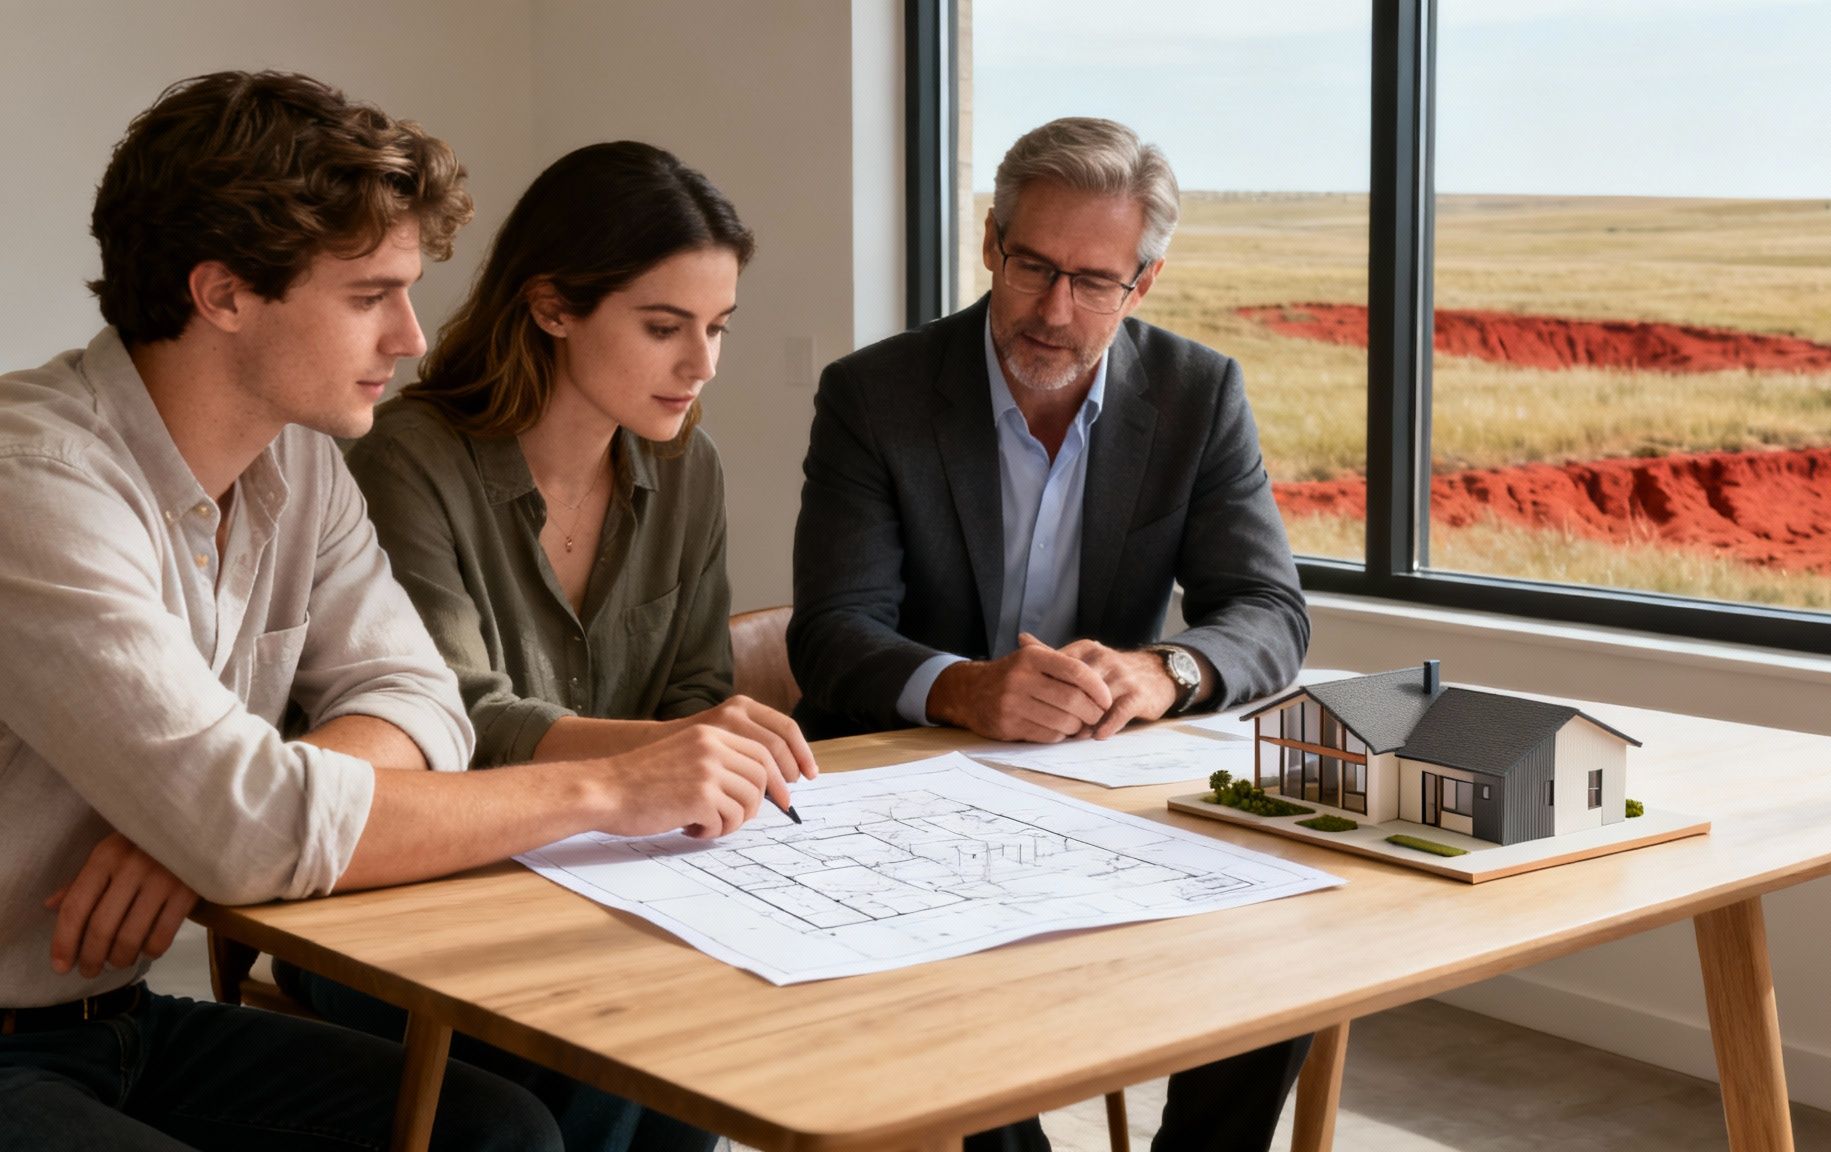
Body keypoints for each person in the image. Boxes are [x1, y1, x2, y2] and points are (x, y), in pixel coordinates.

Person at [0, 71, 795, 1151]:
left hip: (119, 1018)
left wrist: (220, 814)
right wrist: (610, 785)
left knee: (501, 1133)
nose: (413, 336)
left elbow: (425, 704)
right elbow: (249, 820)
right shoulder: (33, 483)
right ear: (224, 294)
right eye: (370, 296)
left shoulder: (304, 467)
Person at [788, 117, 1311, 1152]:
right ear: (990, 243)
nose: (1053, 309)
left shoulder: (1197, 395)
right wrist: (959, 687)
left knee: (1283, 953)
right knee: (965, 1039)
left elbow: (1266, 609)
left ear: (1143, 284)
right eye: (1031, 266)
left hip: (1094, 784)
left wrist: (1165, 669)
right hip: (898, 794)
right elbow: (831, 633)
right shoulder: (875, 394)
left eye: (1093, 281)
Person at [286, 140, 808, 1152]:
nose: (700, 366)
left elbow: (695, 686)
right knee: (630, 1032)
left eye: (716, 328)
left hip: (609, 880)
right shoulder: (408, 458)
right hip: (396, 899)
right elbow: (455, 719)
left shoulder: (684, 467)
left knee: (701, 1017)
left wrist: (701, 748)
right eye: (663, 327)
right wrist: (654, 760)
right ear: (552, 306)